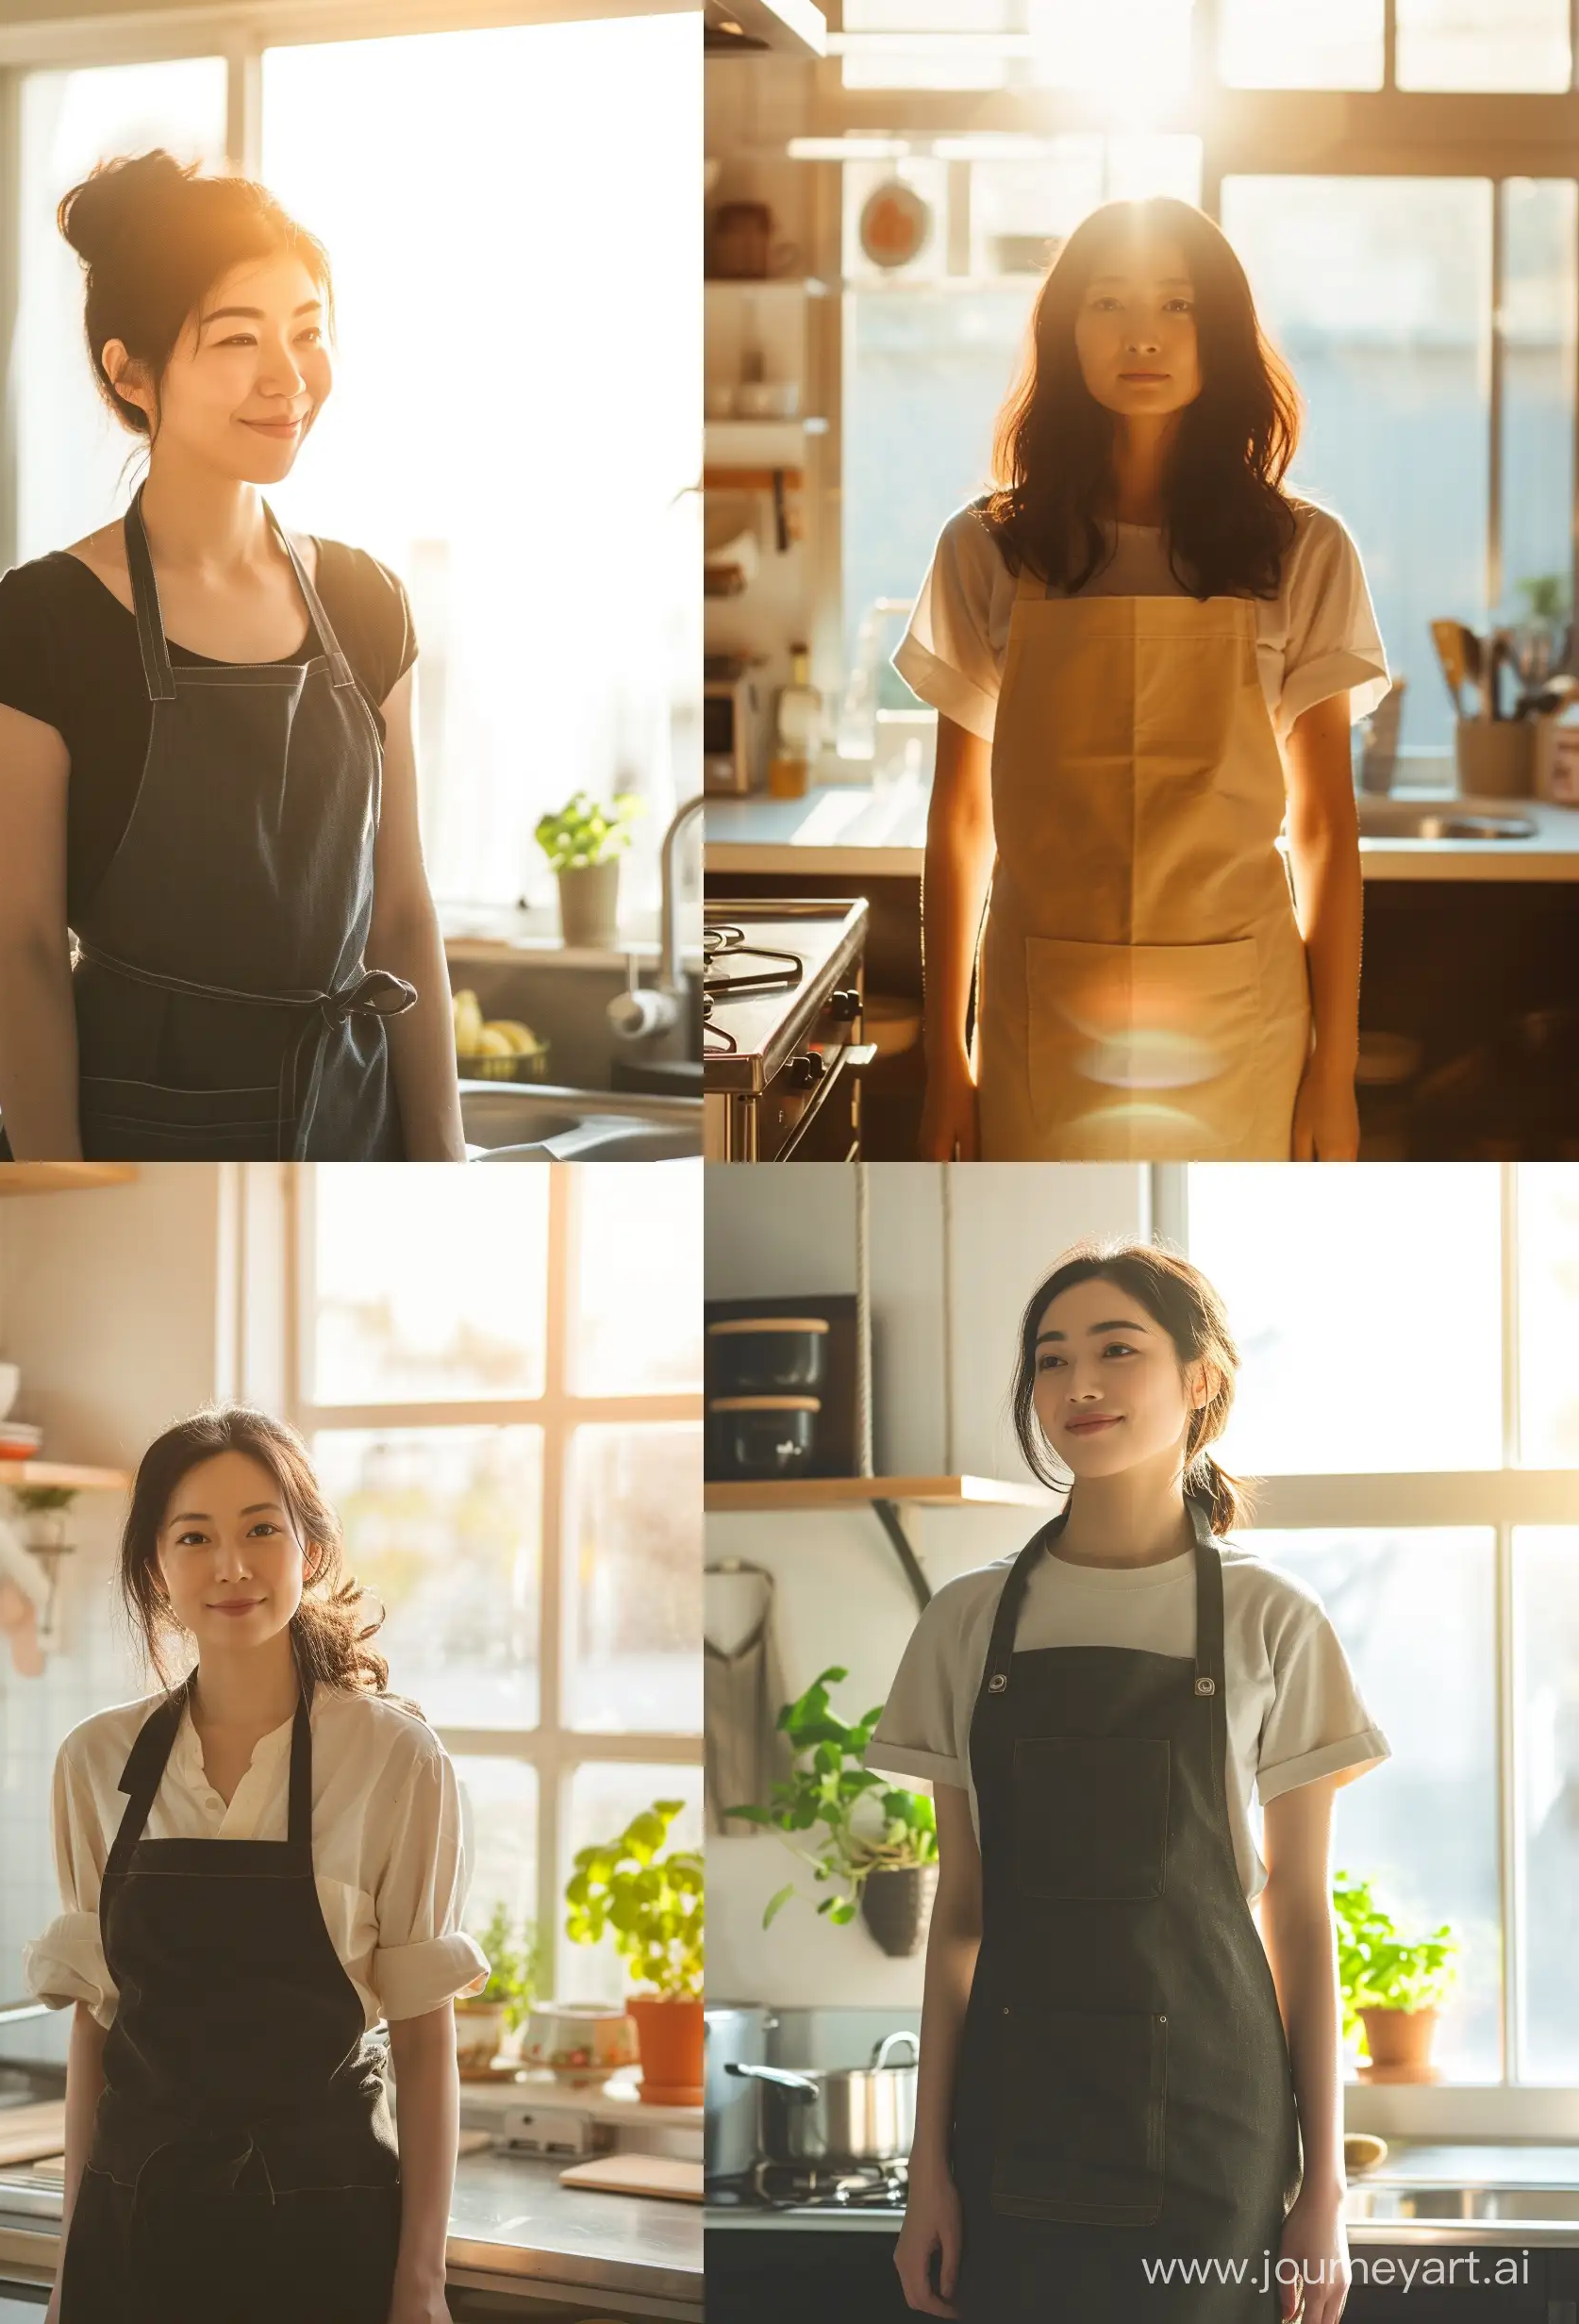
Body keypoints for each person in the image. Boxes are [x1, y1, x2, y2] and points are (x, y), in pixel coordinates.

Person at [869, 1244, 1390, 2324]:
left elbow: (1298, 1920)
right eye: (1050, 1360)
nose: (1079, 1386)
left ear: (1199, 1380)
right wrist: (928, 2169)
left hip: (1214, 2137)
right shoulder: (964, 1622)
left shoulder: (1272, 1620)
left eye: (1116, 1350)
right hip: (1014, 2132)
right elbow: (959, 1918)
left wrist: (1321, 2190)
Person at [0, 152, 462, 1161]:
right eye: (236, 339)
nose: (288, 377)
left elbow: (400, 914)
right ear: (129, 371)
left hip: (350, 1143)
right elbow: (27, 953)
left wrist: (442, 1167)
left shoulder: (368, 604)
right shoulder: (42, 626)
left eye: (306, 333)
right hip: (132, 1147)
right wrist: (60, 1203)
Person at [904, 197, 1389, 1165]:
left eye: (1176, 307)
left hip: (1240, 1014)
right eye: (1106, 304)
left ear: (1220, 334)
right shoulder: (987, 547)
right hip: (1041, 1012)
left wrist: (1330, 1074)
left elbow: (1327, 830)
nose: (1141, 337)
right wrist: (942, 1059)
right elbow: (959, 821)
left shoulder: (1302, 552)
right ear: (1063, 331)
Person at [25, 1405, 488, 2324]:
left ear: (308, 1551)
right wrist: (72, 2268)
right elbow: (95, 2032)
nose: (230, 1565)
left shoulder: (393, 1758)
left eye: (260, 1530)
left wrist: (420, 2280)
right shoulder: (95, 1761)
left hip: (323, 2242)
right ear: (157, 1566)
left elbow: (424, 2036)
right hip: (133, 2245)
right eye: (194, 1536)